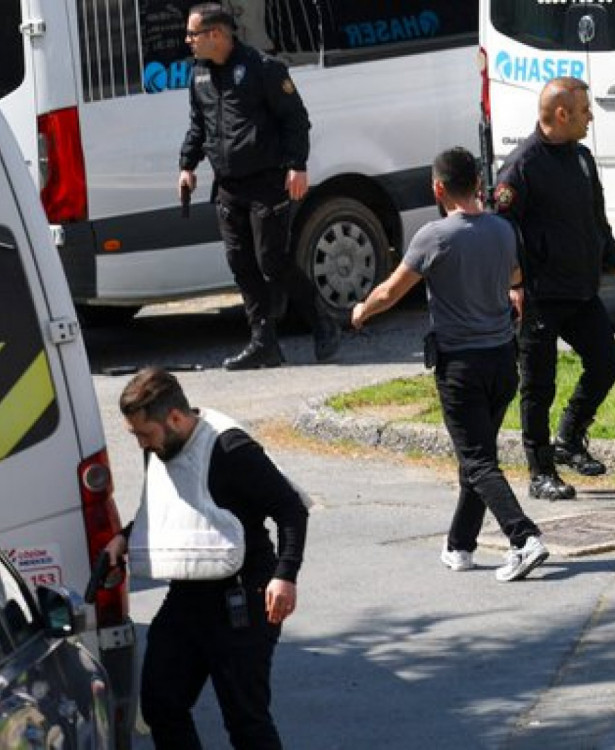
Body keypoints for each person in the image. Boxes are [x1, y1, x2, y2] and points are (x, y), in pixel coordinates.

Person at [351, 147, 550, 583]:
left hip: (461, 366)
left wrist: (362, 310)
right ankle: (460, 545)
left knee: (477, 461)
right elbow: (515, 279)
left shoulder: (434, 236)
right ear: (478, 183)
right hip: (503, 361)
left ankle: (523, 537)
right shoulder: (503, 229)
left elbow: (390, 291)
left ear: (437, 188)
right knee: (477, 457)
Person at [103, 367, 308, 749]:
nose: (141, 444)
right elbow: (173, 507)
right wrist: (124, 537)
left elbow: (291, 509)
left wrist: (285, 575)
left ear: (175, 418)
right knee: (162, 703)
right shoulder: (160, 448)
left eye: (145, 434)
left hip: (243, 597)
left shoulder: (231, 449)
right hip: (188, 594)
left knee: (246, 720)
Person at [494, 76, 615, 501]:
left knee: (606, 363)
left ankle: (570, 439)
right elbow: (501, 230)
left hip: (580, 290)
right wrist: (514, 284)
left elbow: (595, 218)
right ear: (561, 114)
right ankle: (541, 472)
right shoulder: (521, 167)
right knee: (538, 386)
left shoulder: (582, 158)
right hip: (539, 295)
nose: (590, 117)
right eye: (584, 110)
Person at [180, 3, 339, 370]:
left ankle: (322, 320)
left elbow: (296, 119)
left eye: (193, 34)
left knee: (272, 261)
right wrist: (187, 165)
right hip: (228, 186)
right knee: (241, 263)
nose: (188, 41)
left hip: (267, 181)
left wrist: (297, 165)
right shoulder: (199, 74)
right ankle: (263, 343)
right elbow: (198, 125)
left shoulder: (262, 68)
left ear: (216, 34)